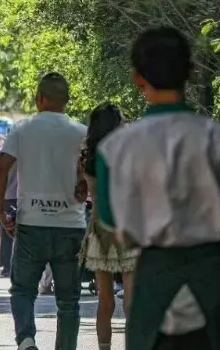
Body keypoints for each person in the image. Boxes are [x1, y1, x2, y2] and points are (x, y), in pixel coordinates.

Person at [96, 27, 220, 350]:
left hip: (154, 280)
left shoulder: (115, 149)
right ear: (190, 72)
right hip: (215, 280)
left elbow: (113, 224)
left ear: (138, 79)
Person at [0, 73, 87, 350]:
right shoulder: (82, 133)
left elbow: (1, 170)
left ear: (40, 98)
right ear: (67, 100)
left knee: (23, 290)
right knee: (69, 300)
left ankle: (26, 340)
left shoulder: (22, 129)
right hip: (71, 225)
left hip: (31, 222)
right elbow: (90, 176)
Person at [78, 103, 137, 350]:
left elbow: (79, 195)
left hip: (99, 229)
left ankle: (104, 347)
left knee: (105, 302)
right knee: (132, 301)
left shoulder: (87, 158)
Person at [0, 139, 18, 277]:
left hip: (7, 195)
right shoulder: (29, 148)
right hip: (23, 195)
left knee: (7, 230)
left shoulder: (2, 151)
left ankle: (6, 264)